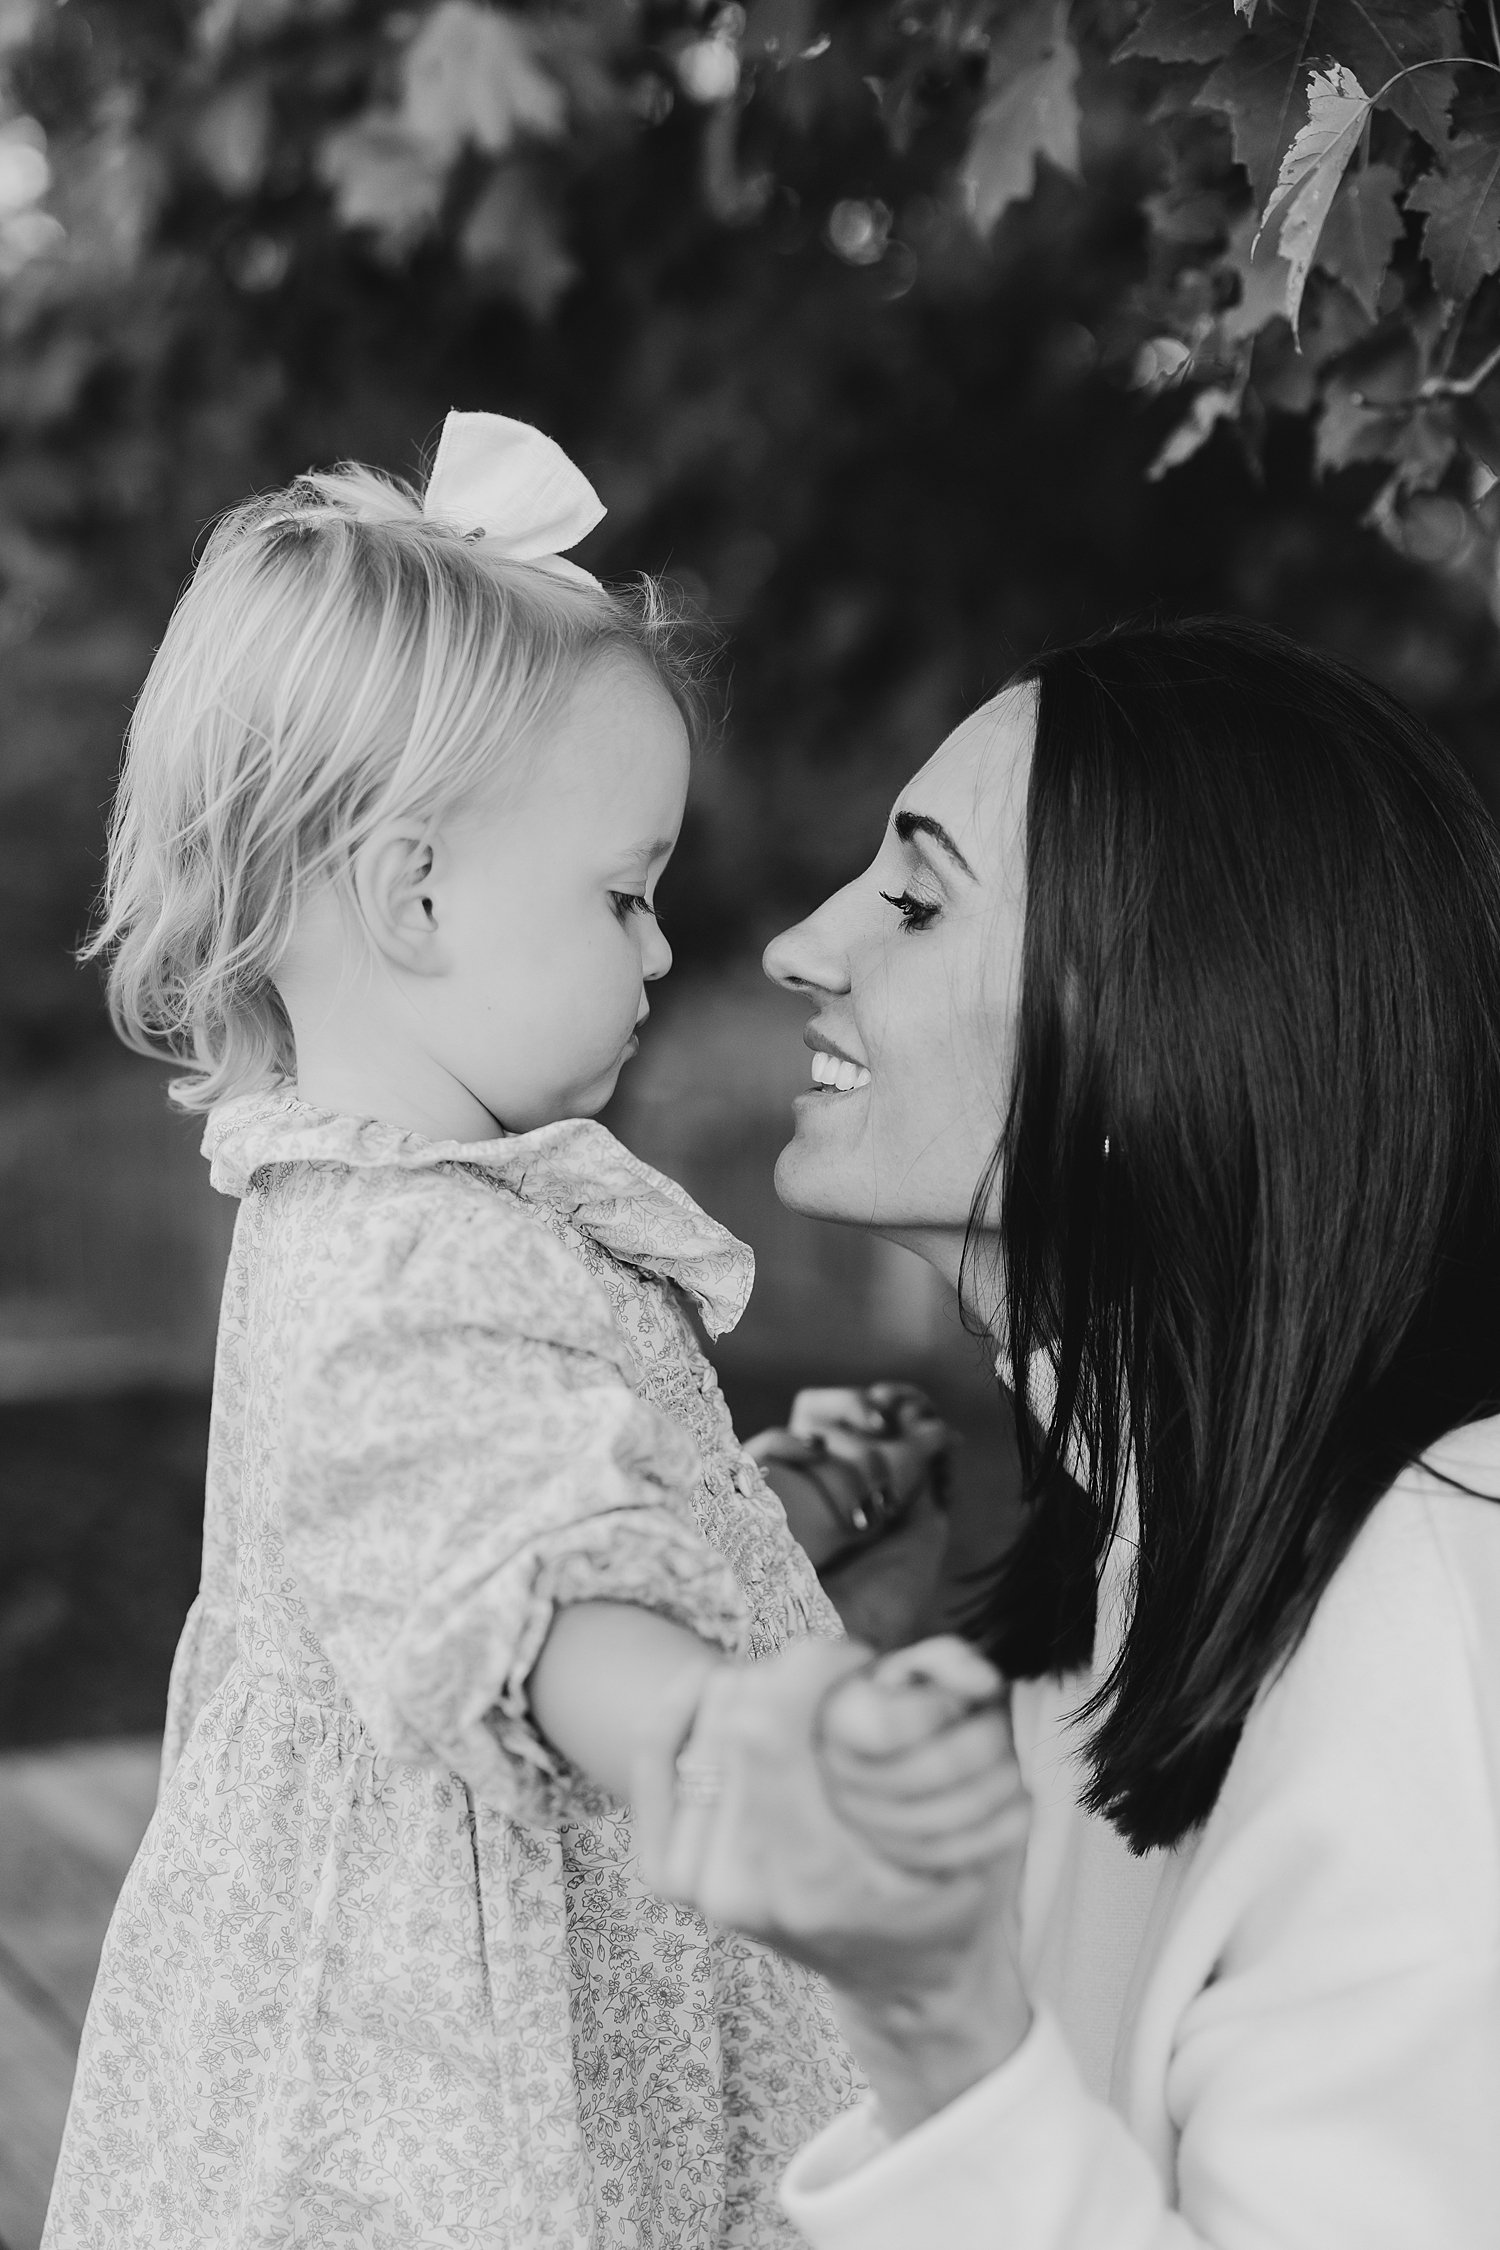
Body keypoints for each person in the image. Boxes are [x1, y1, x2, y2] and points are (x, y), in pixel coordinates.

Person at [42, 412, 951, 2250]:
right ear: (413, 895)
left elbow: (513, 1508)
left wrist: (772, 1520)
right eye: (625, 893)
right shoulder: (389, 1263)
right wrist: (707, 1722)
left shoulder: (422, 1207)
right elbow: (520, 1593)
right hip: (438, 2121)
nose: (661, 951)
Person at [636, 619, 1500, 2248]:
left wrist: (936, 2021)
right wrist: (870, 1694)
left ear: (1157, 1025)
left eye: (915, 897)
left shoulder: (1442, 1611)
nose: (803, 946)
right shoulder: (1124, 1569)